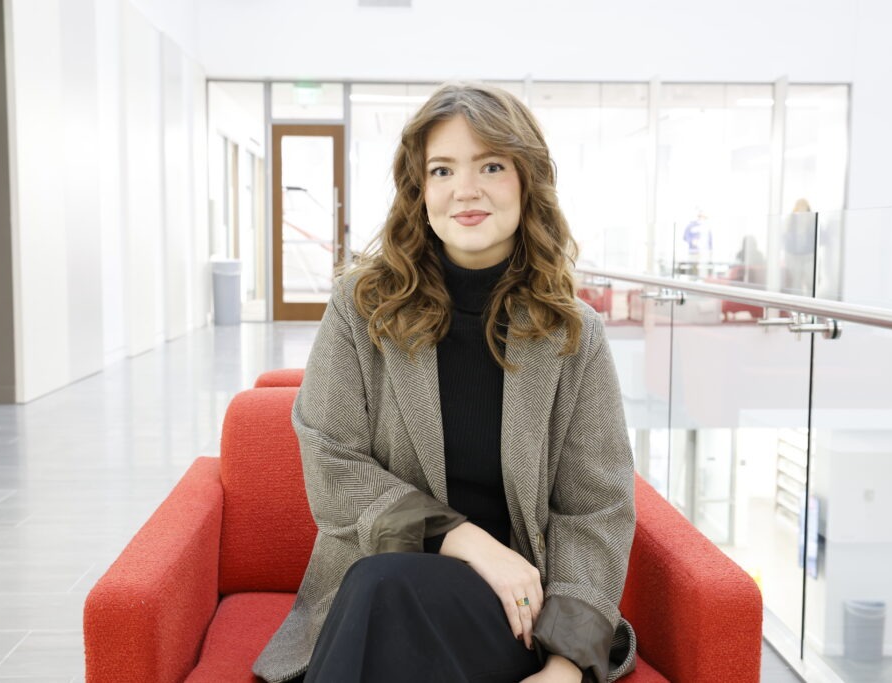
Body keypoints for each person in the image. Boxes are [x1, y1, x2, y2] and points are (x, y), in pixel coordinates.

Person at [253, 83, 637, 683]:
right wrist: (467, 541)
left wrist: (564, 667)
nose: (466, 189)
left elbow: (597, 510)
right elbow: (330, 464)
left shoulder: (572, 333)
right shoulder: (362, 308)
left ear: (526, 180)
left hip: (512, 614)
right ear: (420, 190)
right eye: (442, 169)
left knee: (384, 598)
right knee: (384, 585)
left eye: (491, 165)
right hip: (376, 583)